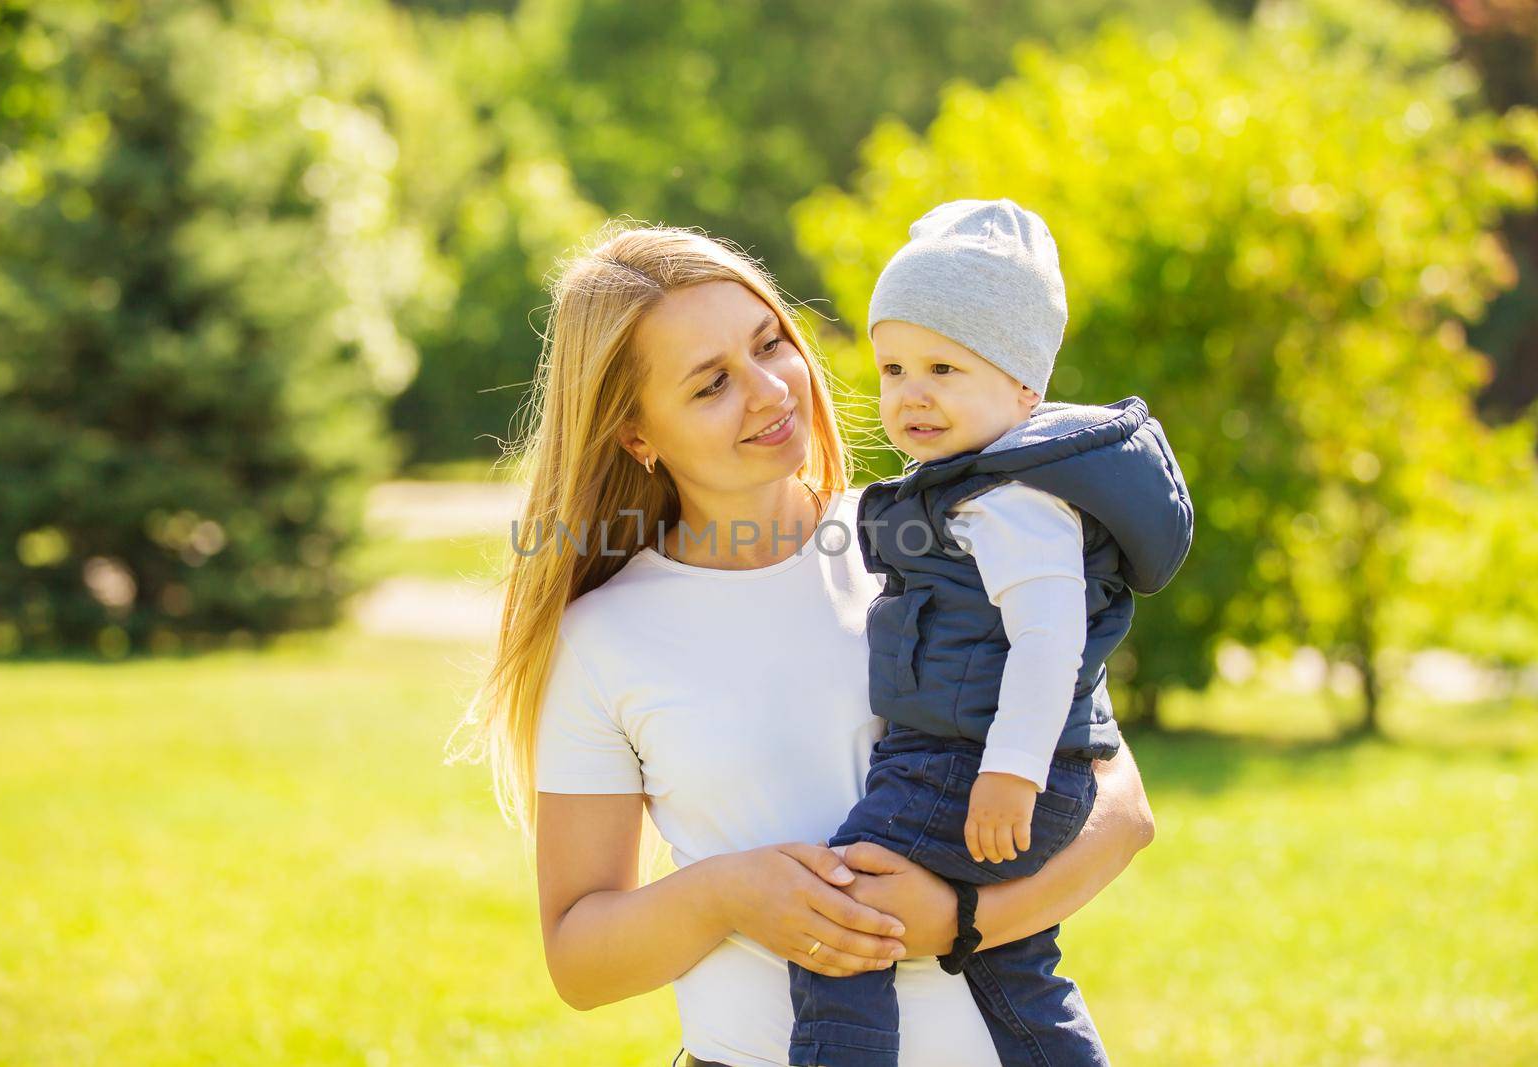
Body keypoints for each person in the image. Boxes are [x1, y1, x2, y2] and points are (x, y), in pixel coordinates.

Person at [453, 221, 1159, 1067]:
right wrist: (726, 895)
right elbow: (580, 956)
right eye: (711, 384)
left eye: (770, 343)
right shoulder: (605, 637)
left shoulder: (944, 536)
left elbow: (1119, 806)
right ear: (636, 436)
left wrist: (958, 920)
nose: (768, 391)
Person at [785, 199, 1194, 1066]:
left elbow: (1053, 641)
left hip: (978, 767)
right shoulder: (961, 486)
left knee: (839, 917)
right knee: (1013, 968)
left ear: (1023, 387)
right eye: (893, 368)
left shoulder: (1012, 501)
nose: (912, 393)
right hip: (964, 759)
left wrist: (1009, 773)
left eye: (943, 365)